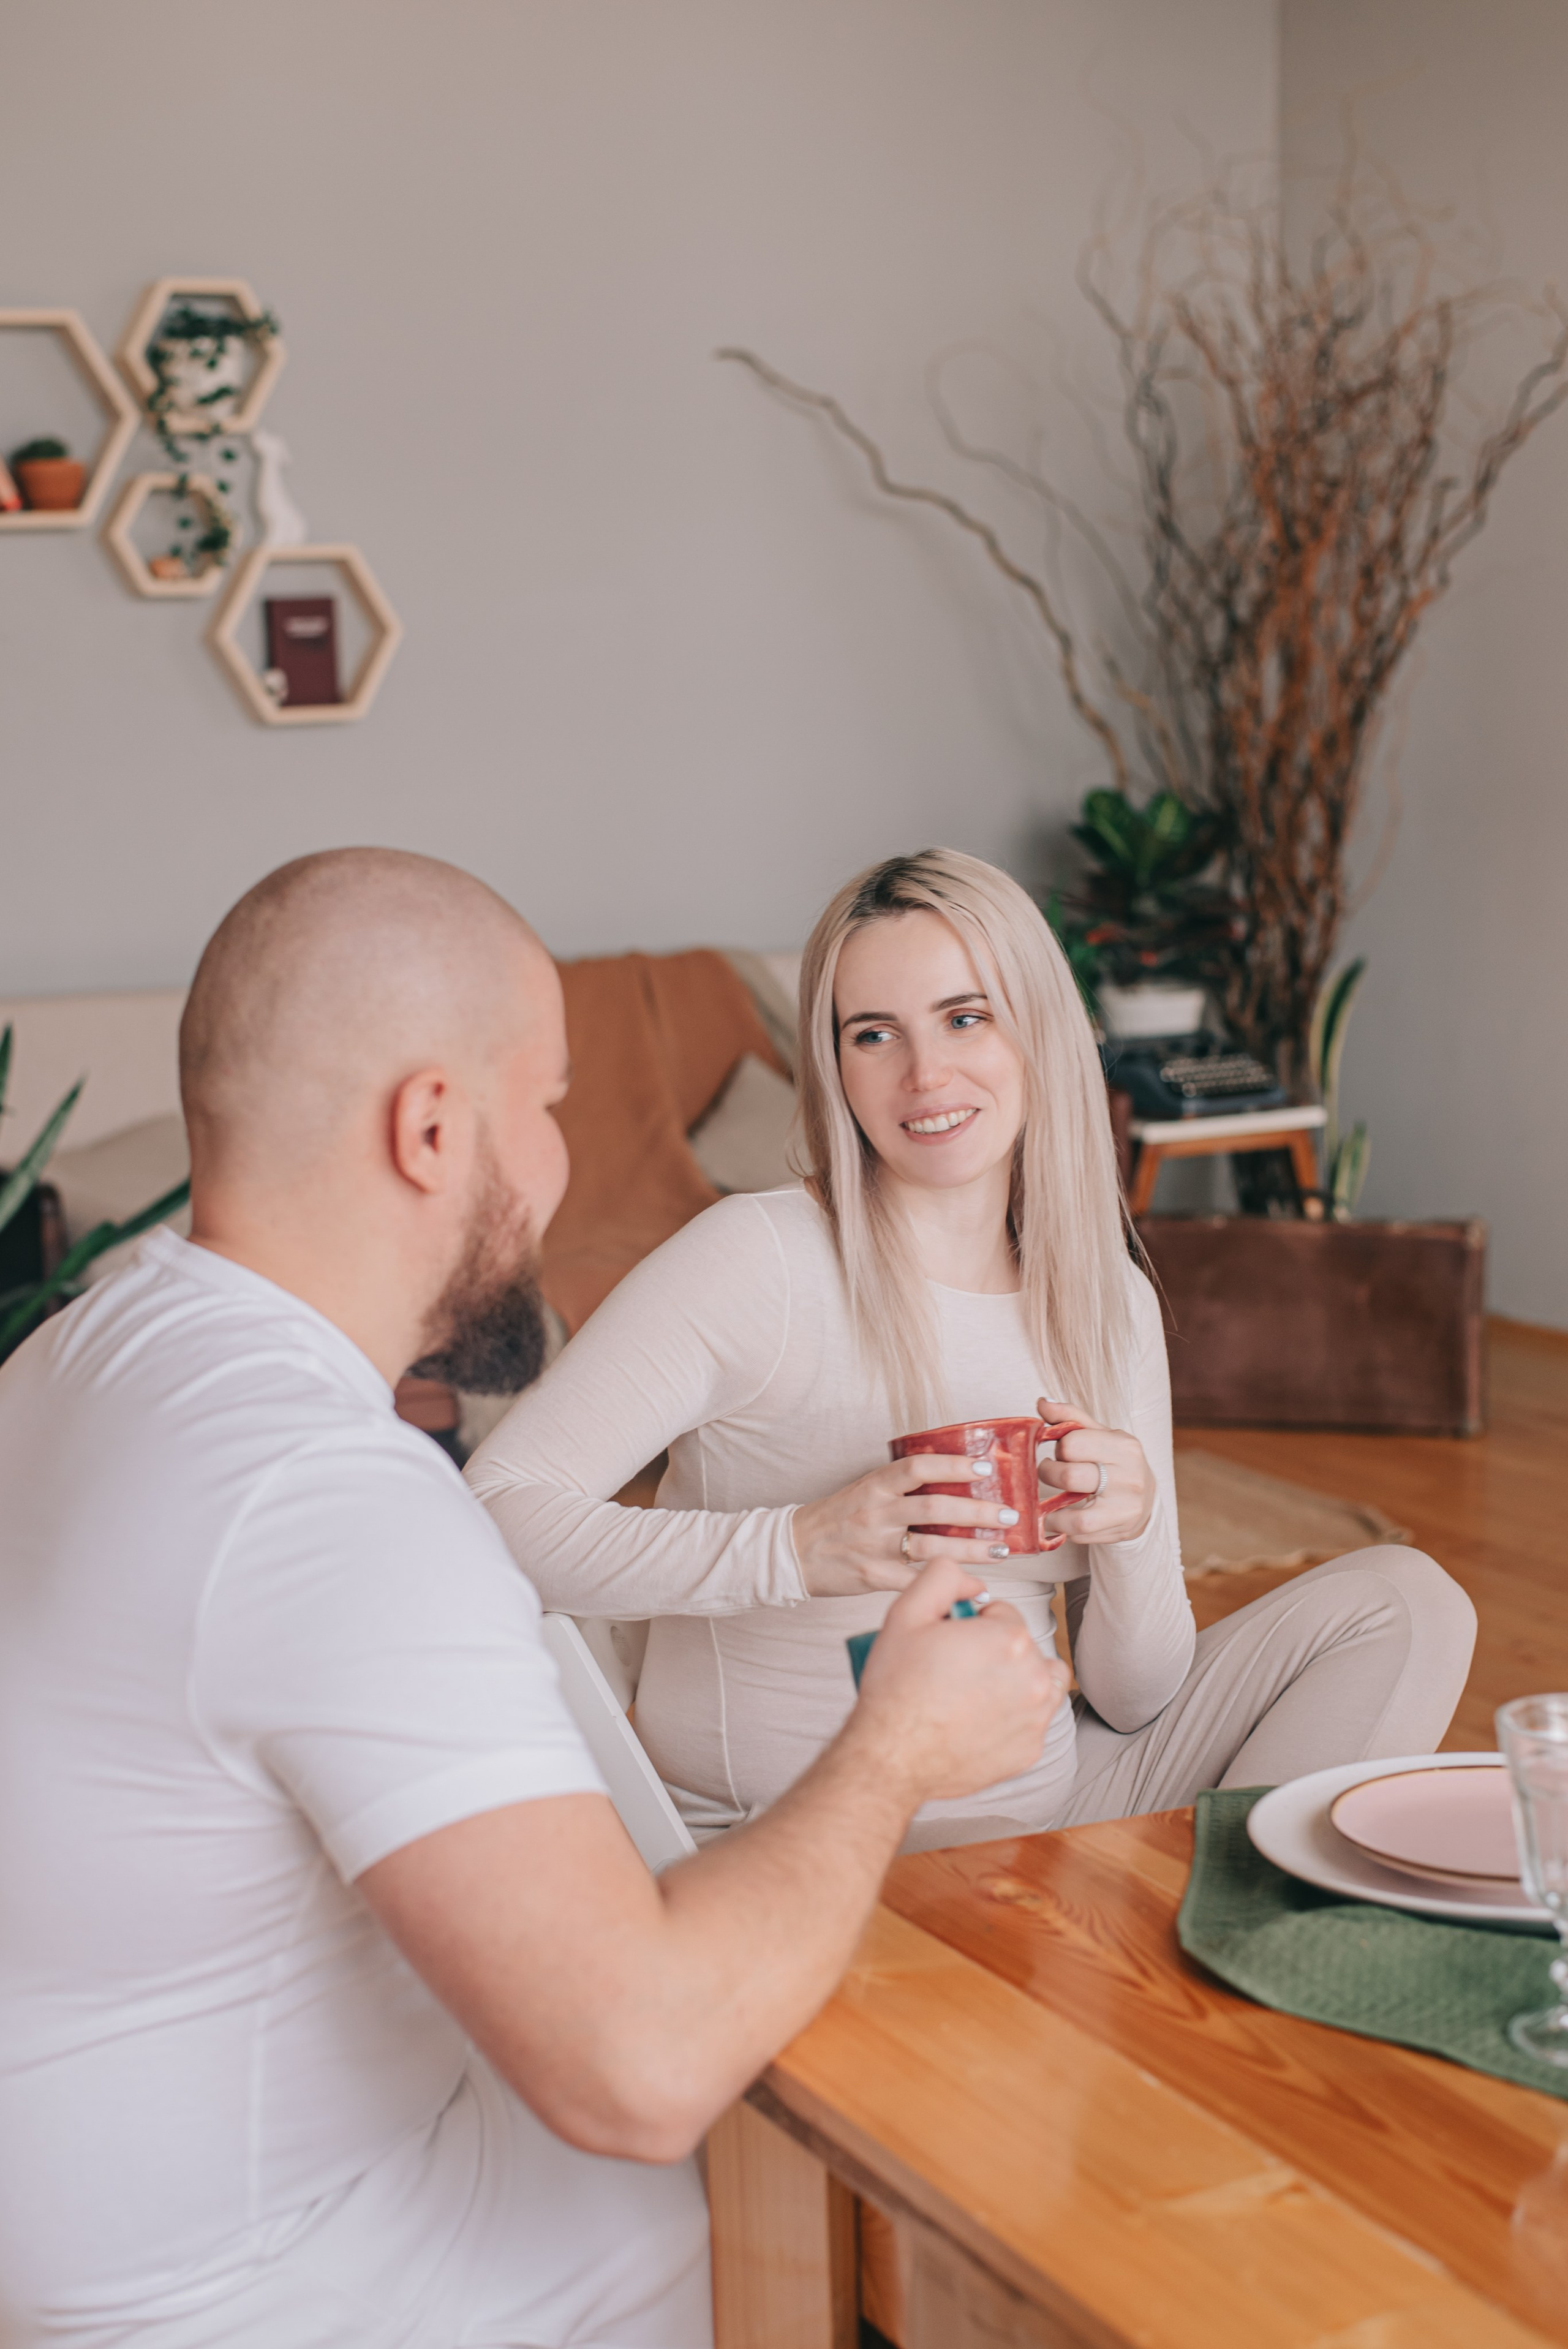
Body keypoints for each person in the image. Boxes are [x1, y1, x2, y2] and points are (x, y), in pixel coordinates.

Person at [0, 848, 1068, 2349]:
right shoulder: (337, 1501)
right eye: (551, 1105)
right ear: (433, 1128)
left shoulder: (79, 1353)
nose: (561, 1162)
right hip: (267, 2292)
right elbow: (639, 2066)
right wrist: (895, 1743)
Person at [469, 846, 1477, 1848]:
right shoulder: (760, 1261)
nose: (926, 1075)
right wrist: (795, 1547)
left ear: (1036, 1029)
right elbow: (492, 1516)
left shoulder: (1105, 1300)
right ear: (836, 1068)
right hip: (795, 1841)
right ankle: (1172, 1940)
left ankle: (1237, 1939)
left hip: (1046, 1806)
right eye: (875, 1035)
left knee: (1409, 1604)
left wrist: (1131, 1536)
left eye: (966, 1017)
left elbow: (1135, 1703)